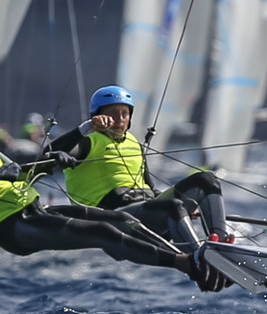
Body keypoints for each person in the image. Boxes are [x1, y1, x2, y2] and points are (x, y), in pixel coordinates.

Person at [0, 80, 219, 290]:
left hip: (32, 211)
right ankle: (186, 263)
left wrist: (58, 158)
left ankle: (191, 257)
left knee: (122, 220)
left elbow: (29, 169)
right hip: (9, 227)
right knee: (104, 232)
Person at [47, 85, 231, 255]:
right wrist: (85, 128)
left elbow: (150, 187)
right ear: (98, 116)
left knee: (206, 180)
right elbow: (48, 153)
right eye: (112, 114)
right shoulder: (87, 142)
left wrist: (188, 205)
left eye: (124, 114)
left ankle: (220, 243)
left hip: (149, 213)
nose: (120, 120)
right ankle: (197, 257)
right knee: (172, 207)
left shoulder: (134, 143)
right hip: (113, 220)